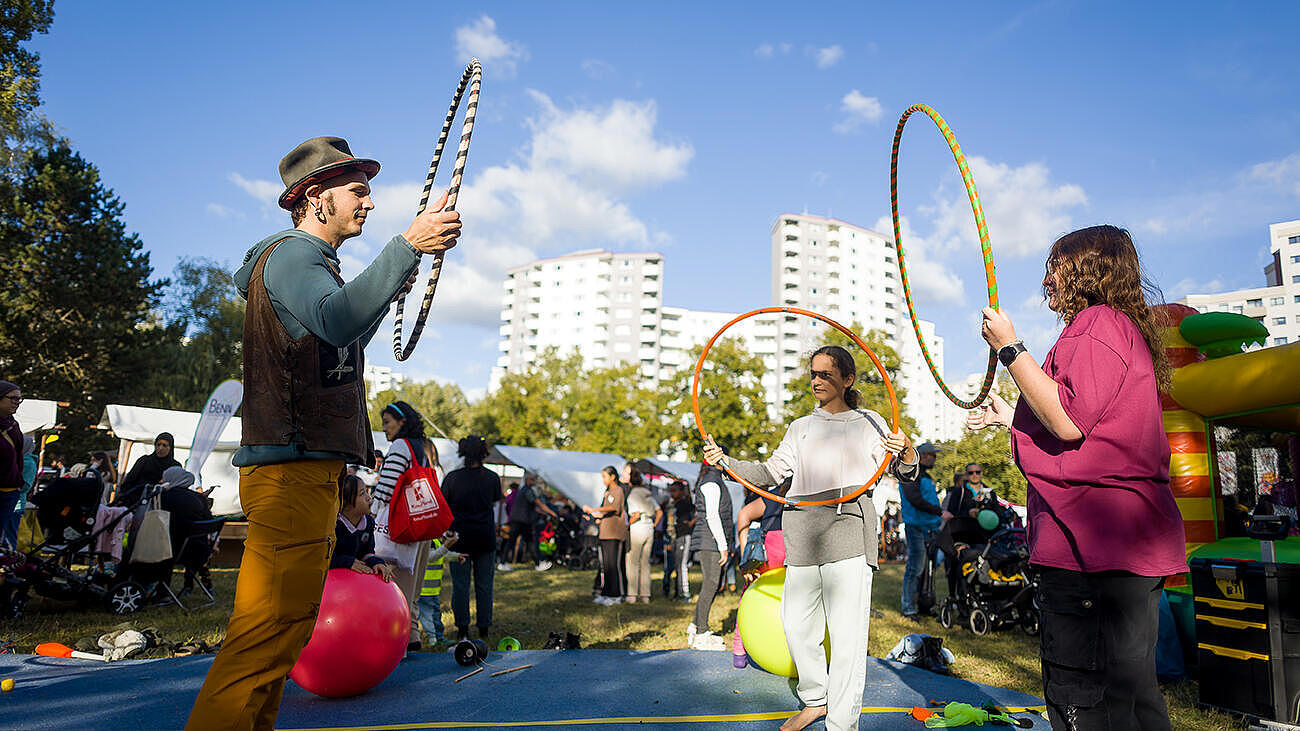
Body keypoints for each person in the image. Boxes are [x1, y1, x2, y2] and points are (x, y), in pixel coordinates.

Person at [187, 136, 461, 731]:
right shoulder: (292, 256)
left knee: (283, 633)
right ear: (315, 196)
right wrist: (407, 246)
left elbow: (340, 343)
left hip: (306, 472)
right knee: (265, 635)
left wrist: (396, 274)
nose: (368, 203)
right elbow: (338, 319)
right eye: (356, 192)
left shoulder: (307, 264)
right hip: (291, 473)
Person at [967, 225, 1185, 730]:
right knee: (1129, 695)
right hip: (1120, 547)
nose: (1048, 277)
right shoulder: (1114, 327)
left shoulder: (1097, 325)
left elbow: (1066, 420)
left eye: (1057, 264)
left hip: (1092, 547)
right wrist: (1011, 415)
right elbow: (1089, 420)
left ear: (1087, 268)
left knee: (1086, 700)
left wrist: (1010, 348)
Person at [704, 345, 916, 731]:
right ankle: (815, 700)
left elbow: (902, 470)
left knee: (847, 636)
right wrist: (726, 461)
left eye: (825, 374)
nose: (816, 381)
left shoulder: (869, 422)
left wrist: (908, 451)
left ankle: (841, 723)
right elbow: (768, 473)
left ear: (848, 379)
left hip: (849, 530)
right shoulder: (800, 427)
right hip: (803, 533)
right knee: (797, 625)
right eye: (813, 374)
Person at [371, 400, 439, 651]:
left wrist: (373, 513)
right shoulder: (421, 447)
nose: (385, 428)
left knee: (395, 586)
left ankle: (394, 643)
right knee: (412, 588)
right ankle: (411, 636)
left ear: (402, 422)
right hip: (420, 525)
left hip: (399, 526)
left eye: (387, 422)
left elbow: (386, 488)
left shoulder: (400, 446)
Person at [441, 435, 502, 640]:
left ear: (462, 451)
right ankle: (483, 628)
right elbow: (494, 501)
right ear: (484, 453)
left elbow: (444, 507)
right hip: (485, 537)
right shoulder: (492, 478)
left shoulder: (452, 478)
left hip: (460, 539)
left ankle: (462, 629)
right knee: (485, 585)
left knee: (460, 585)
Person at [900, 442, 943, 621]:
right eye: (933, 455)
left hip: (929, 527)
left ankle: (924, 604)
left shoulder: (925, 475)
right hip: (916, 526)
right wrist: (938, 510)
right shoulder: (911, 473)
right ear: (924, 456)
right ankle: (908, 608)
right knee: (915, 568)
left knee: (928, 568)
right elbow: (915, 499)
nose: (935, 458)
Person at [159, 465, 216, 595]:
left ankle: (161, 592)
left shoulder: (164, 497)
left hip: (173, 551)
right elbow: (209, 520)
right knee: (192, 541)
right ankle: (196, 586)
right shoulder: (199, 497)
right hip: (200, 549)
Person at [331, 473, 394, 581]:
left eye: (366, 492)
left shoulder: (368, 523)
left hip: (355, 583)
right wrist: (347, 562)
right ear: (345, 504)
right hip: (334, 582)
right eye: (362, 494)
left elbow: (367, 553)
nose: (369, 498)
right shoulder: (334, 527)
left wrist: (377, 563)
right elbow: (324, 560)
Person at [584, 466, 627, 605]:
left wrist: (594, 509)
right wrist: (596, 516)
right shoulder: (607, 492)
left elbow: (614, 508)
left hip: (614, 533)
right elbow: (605, 510)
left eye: (605, 476)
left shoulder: (618, 490)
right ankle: (606, 592)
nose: (603, 480)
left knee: (613, 565)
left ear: (613, 476)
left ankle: (616, 595)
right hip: (604, 533)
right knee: (605, 565)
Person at [418, 530, 463, 648]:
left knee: (434, 614)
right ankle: (434, 638)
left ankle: (437, 637)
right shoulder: (429, 542)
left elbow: (443, 554)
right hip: (426, 588)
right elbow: (432, 557)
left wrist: (456, 556)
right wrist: (446, 546)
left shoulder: (436, 541)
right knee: (430, 615)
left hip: (432, 589)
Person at [508, 472, 558, 570]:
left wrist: (544, 513)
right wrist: (551, 513)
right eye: (532, 480)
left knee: (517, 541)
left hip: (519, 520)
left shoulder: (523, 490)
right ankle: (538, 563)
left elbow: (533, 507)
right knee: (527, 542)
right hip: (522, 521)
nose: (534, 482)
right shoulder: (528, 491)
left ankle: (537, 563)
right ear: (527, 480)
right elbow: (538, 504)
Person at [114, 433, 180, 507]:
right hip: (135, 502)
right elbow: (129, 481)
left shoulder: (175, 466)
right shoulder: (145, 460)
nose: (160, 448)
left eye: (164, 445)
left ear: (170, 448)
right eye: (158, 444)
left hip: (159, 504)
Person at [624, 474, 660, 604]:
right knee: (646, 563)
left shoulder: (633, 495)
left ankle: (632, 595)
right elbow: (659, 511)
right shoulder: (648, 494)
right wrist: (654, 525)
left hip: (637, 528)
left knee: (632, 562)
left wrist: (627, 525)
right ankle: (645, 596)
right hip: (649, 527)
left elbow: (636, 514)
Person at [661, 479, 695, 601]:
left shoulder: (686, 503)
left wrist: (691, 523)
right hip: (672, 538)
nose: (672, 494)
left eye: (675, 491)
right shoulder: (670, 505)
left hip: (683, 536)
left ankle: (684, 593)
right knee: (672, 566)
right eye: (671, 491)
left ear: (681, 491)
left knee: (681, 565)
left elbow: (698, 512)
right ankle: (674, 591)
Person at [0, 381, 23, 548]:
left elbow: (18, 457)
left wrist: (19, 484)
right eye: (13, 398)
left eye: (19, 399)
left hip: (10, 491)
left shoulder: (13, 425)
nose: (17, 403)